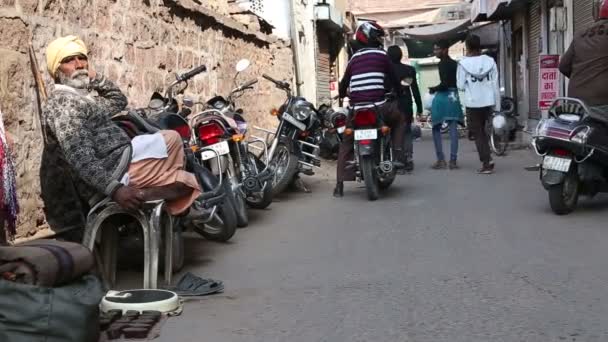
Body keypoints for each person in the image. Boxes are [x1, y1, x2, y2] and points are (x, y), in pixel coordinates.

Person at [43, 36, 202, 215]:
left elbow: (118, 100)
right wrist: (115, 189)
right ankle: (147, 198)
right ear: (57, 71)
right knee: (186, 179)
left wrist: (94, 77)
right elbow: (80, 158)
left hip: (124, 156)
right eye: (69, 61)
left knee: (172, 139)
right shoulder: (64, 103)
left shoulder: (83, 98)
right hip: (114, 171)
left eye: (82, 58)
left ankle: (158, 198)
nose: (79, 65)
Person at [333, 22, 405, 197]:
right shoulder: (382, 55)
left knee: (347, 141)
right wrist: (400, 90)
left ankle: (339, 185)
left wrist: (343, 94)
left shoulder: (353, 59)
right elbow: (394, 78)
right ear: (371, 36)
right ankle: (397, 156)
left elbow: (343, 84)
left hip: (356, 109)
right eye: (378, 36)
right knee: (400, 119)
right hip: (379, 107)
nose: (380, 39)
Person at [457, 34, 500, 174]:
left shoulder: (463, 64)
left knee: (478, 133)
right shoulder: (490, 61)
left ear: (467, 47)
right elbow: (495, 84)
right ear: (479, 46)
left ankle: (487, 162)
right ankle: (488, 156)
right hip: (489, 102)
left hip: (472, 103)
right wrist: (497, 106)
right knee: (486, 131)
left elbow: (460, 85)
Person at [559, 0, 608, 124]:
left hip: (575, 102)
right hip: (602, 103)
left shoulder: (580, 34)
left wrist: (584, 77)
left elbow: (563, 66)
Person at [386, 45, 423, 172]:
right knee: (406, 132)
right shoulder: (409, 70)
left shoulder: (385, 71)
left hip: (390, 106)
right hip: (405, 105)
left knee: (391, 133)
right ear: (401, 55)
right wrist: (419, 107)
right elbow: (415, 90)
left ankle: (396, 160)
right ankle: (408, 160)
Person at [429, 40, 463, 170]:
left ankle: (440, 160)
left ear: (445, 49)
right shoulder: (455, 64)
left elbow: (444, 84)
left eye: (437, 49)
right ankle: (453, 161)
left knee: (436, 127)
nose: (435, 52)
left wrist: (433, 88)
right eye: (435, 49)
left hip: (443, 97)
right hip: (454, 97)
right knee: (453, 129)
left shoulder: (441, 64)